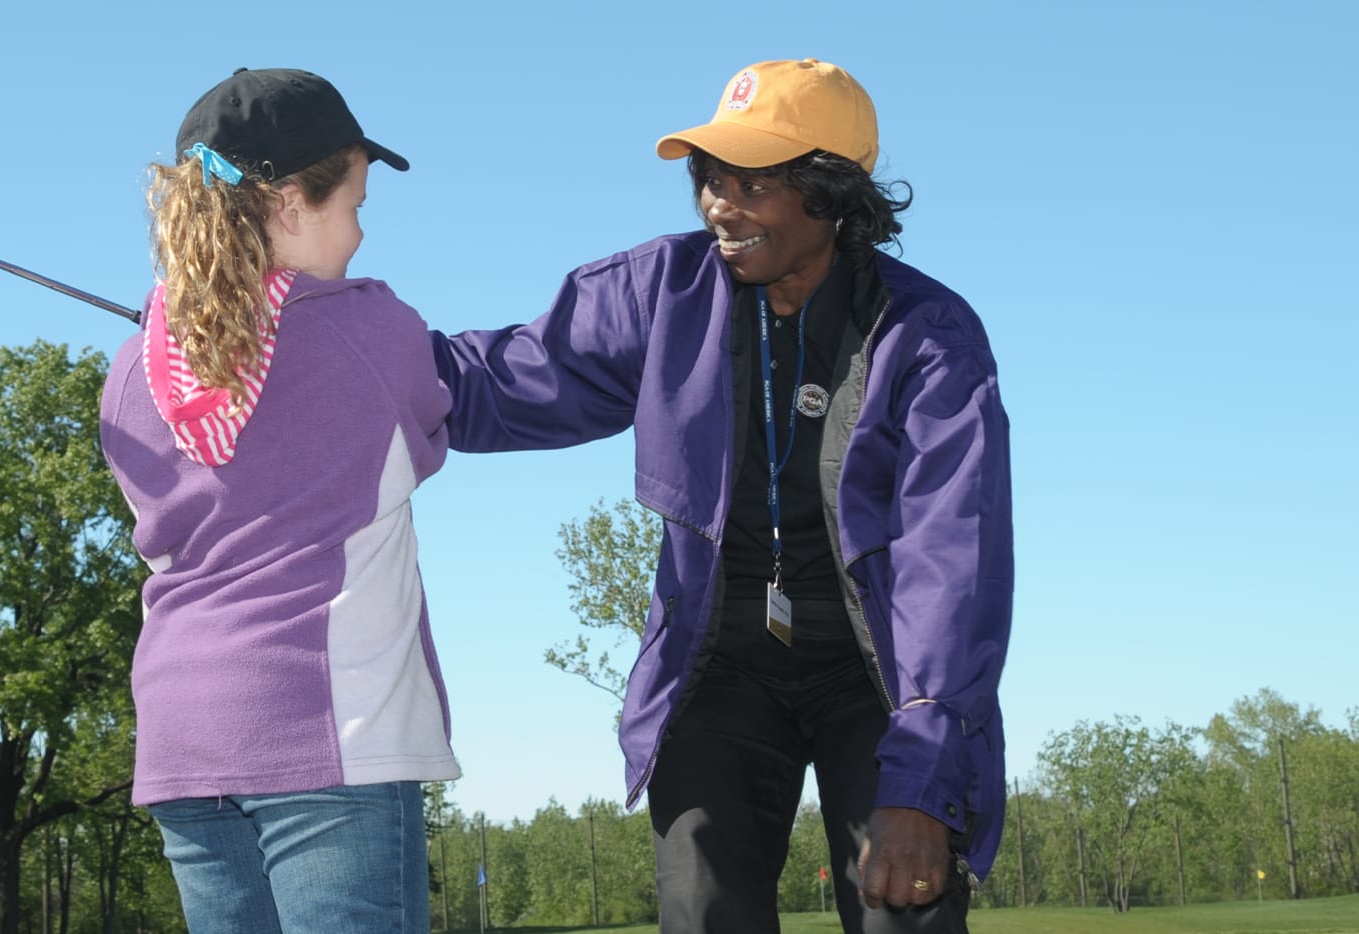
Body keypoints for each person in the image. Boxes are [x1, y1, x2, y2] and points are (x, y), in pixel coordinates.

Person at [431, 59, 1013, 933]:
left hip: (884, 680)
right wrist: (351, 353)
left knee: (905, 913)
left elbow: (952, 561)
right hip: (720, 666)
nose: (718, 206)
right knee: (703, 909)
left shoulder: (929, 339)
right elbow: (502, 380)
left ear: (832, 193)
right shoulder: (661, 294)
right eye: (709, 178)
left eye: (753, 183)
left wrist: (925, 778)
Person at [99, 67, 457, 934]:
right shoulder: (375, 329)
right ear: (291, 204)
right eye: (355, 205)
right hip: (328, 735)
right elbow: (430, 434)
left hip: (186, 748)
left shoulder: (128, 374)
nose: (363, 233)